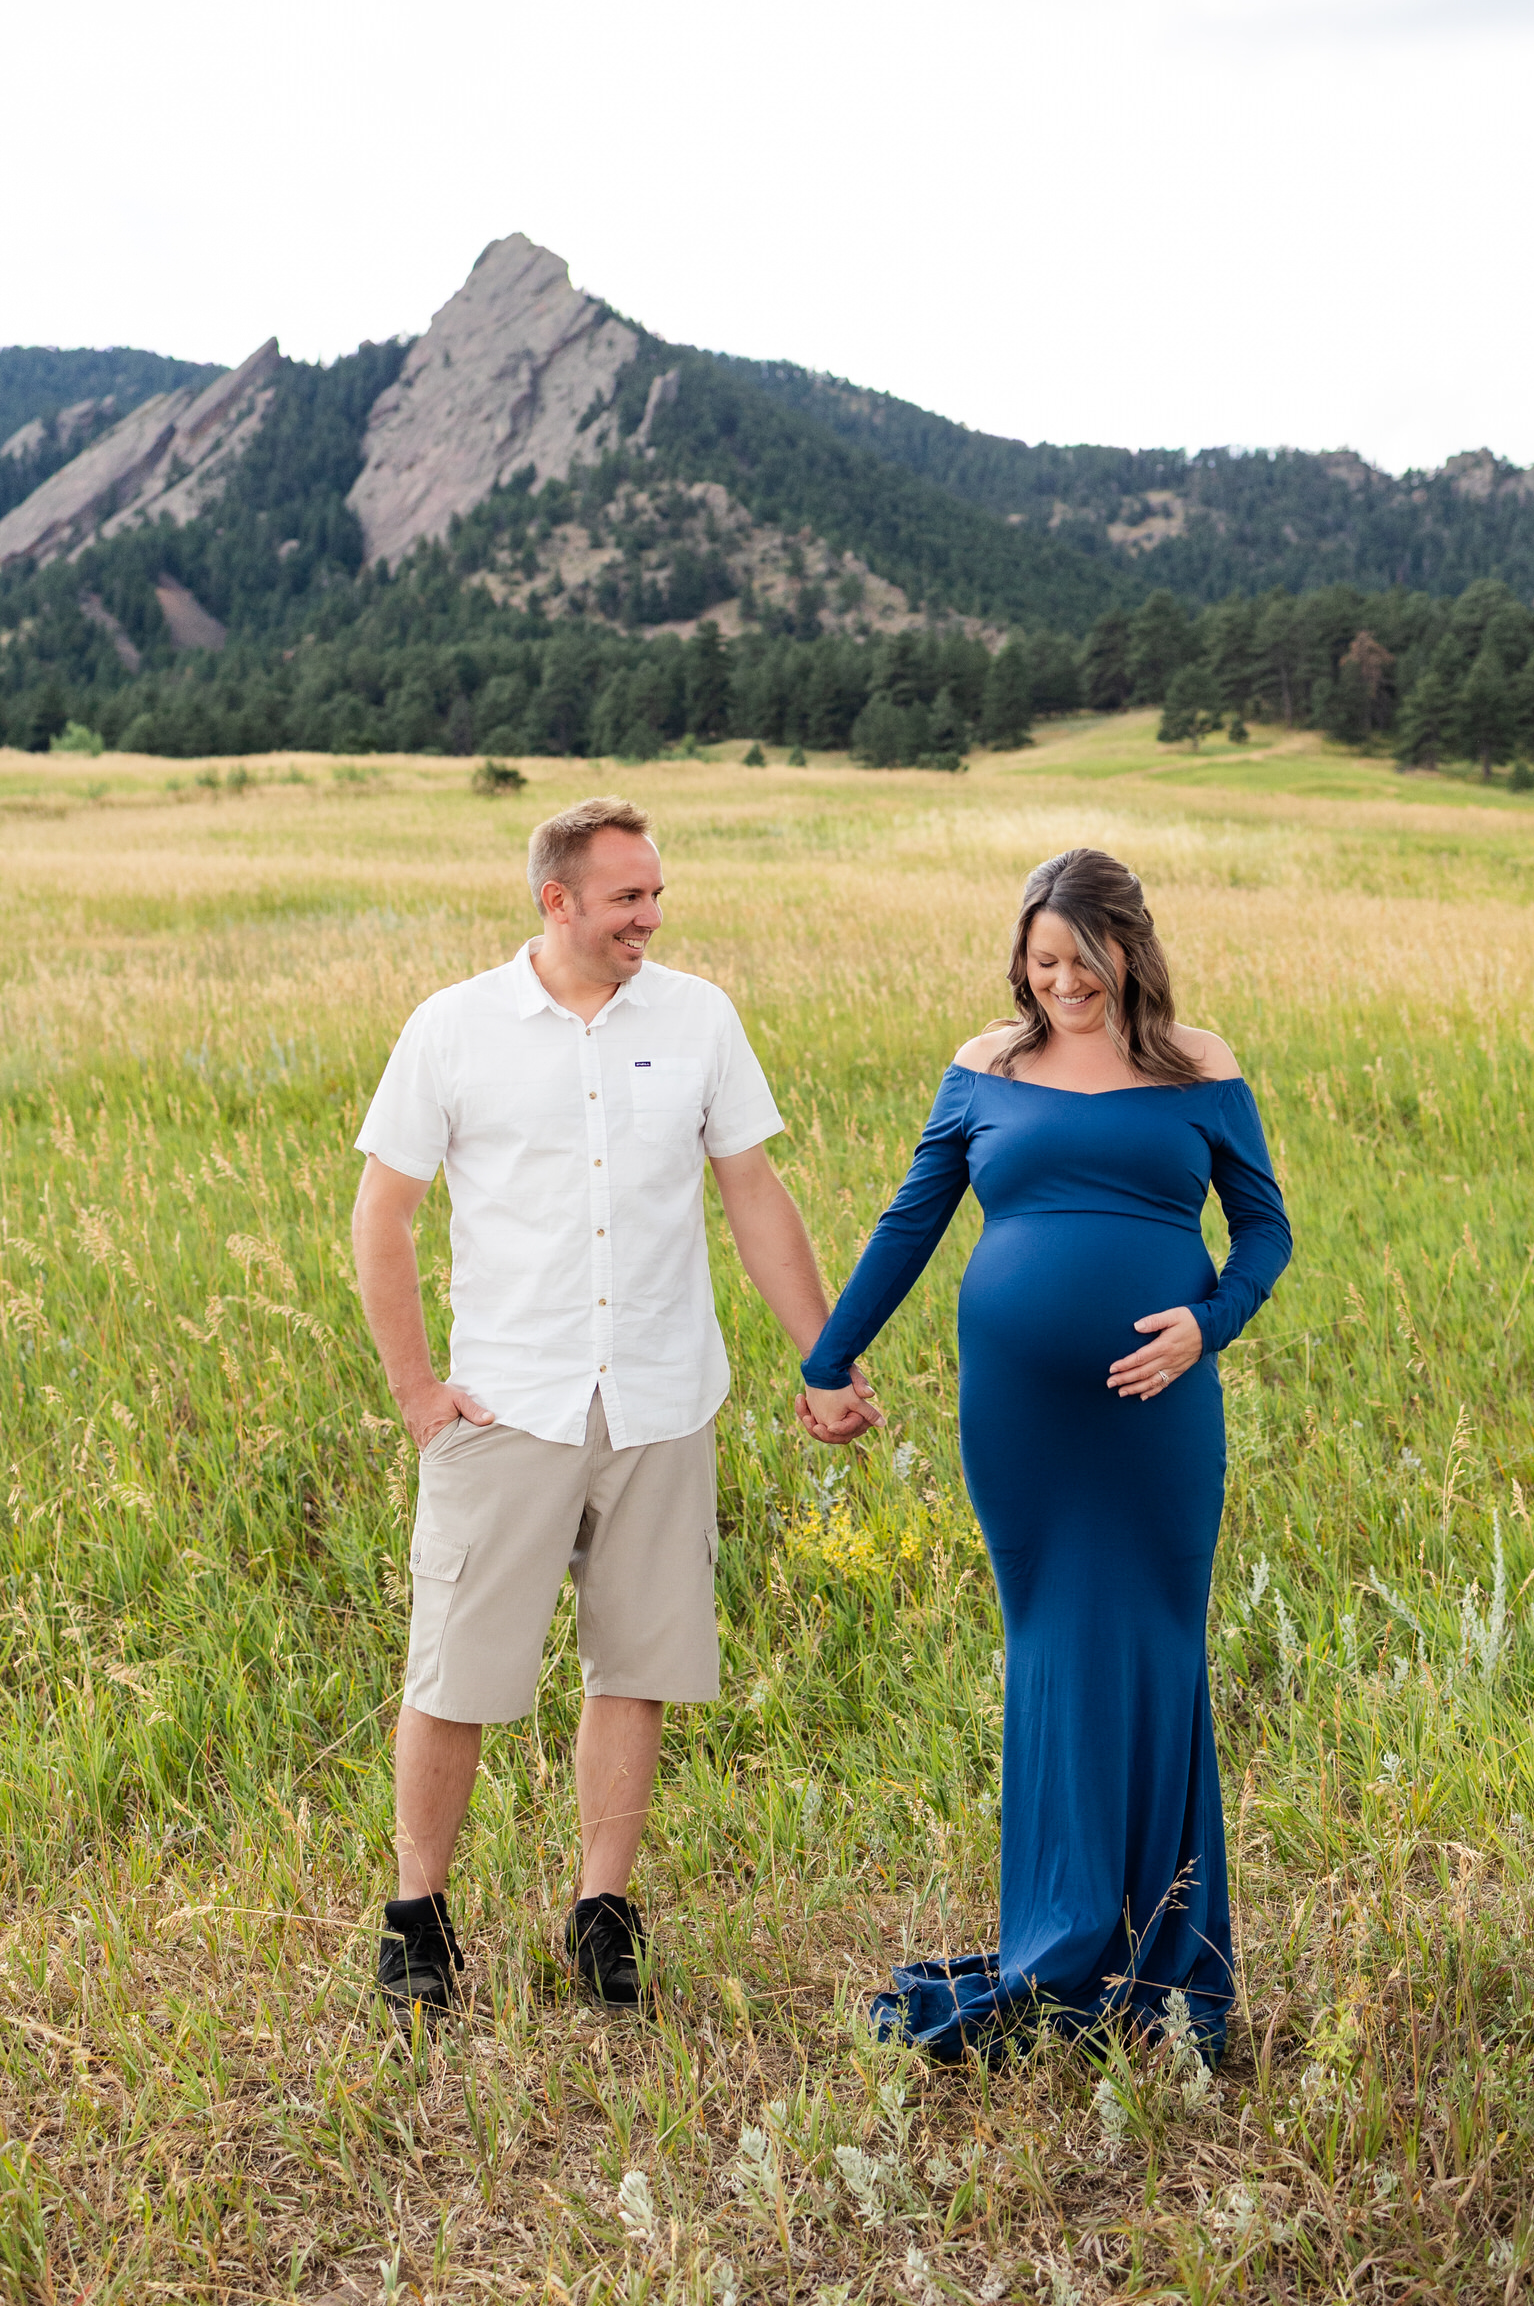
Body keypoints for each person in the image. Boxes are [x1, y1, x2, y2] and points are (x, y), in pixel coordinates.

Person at [353, 796, 871, 2023]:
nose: (651, 914)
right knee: (455, 1675)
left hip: (659, 1397)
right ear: (557, 900)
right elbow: (382, 1216)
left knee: (633, 1665)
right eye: (627, 896)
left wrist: (824, 1355)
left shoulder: (698, 1018)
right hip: (507, 1406)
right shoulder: (455, 1028)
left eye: (656, 892)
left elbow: (752, 1192)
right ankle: (417, 1920)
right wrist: (419, 1394)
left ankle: (601, 1914)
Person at [796, 848, 1291, 2060]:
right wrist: (826, 1356)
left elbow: (1265, 1231)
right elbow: (910, 1220)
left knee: (1160, 1651)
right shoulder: (983, 1066)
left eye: (1080, 957)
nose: (1061, 982)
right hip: (1020, 1415)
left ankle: (1167, 1952)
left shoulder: (1200, 1065)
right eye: (1041, 960)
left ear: (1130, 946)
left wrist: (1204, 1325)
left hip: (1157, 1409)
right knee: (1051, 1653)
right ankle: (1059, 1942)